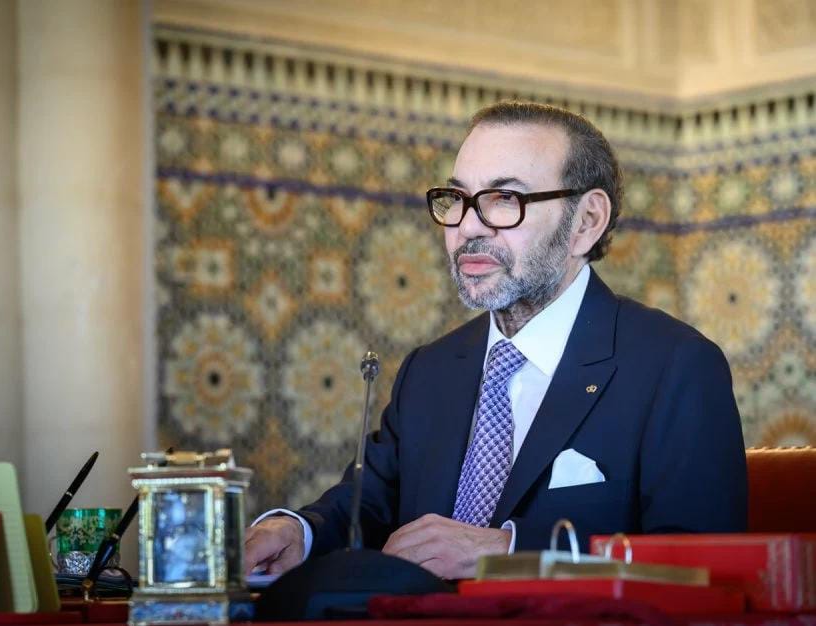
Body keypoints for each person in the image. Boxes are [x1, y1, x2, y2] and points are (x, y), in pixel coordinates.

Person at [244, 101, 748, 580]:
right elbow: (367, 506)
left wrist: (510, 552)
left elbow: (699, 566)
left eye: (505, 200)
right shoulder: (430, 370)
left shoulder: (676, 367)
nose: (467, 227)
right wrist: (297, 531)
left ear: (587, 221)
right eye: (458, 199)